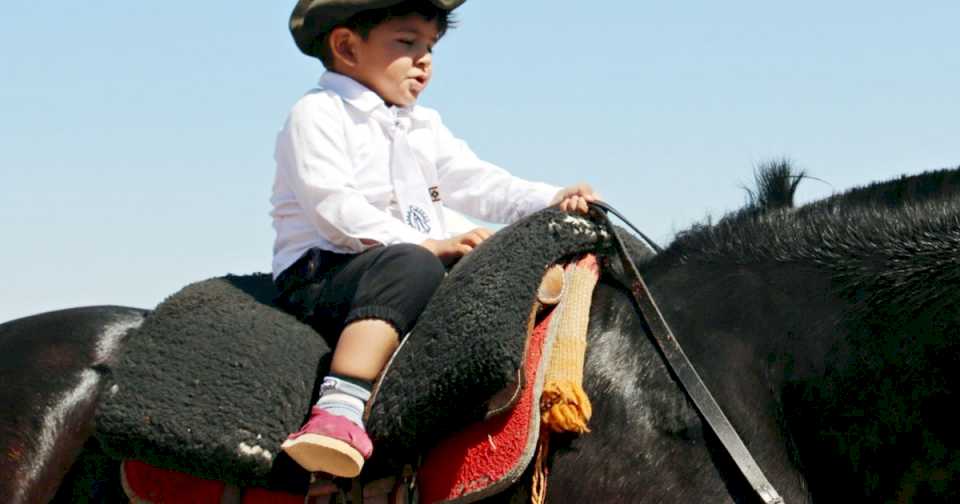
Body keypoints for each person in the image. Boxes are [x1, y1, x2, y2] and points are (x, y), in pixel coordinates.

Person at [272, 0, 599, 479]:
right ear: (345, 46)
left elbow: (479, 182)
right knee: (412, 265)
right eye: (407, 43)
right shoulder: (319, 113)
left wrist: (550, 198)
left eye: (430, 47)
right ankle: (339, 407)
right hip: (330, 271)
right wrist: (429, 247)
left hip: (413, 267)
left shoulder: (422, 126)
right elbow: (335, 210)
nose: (424, 60)